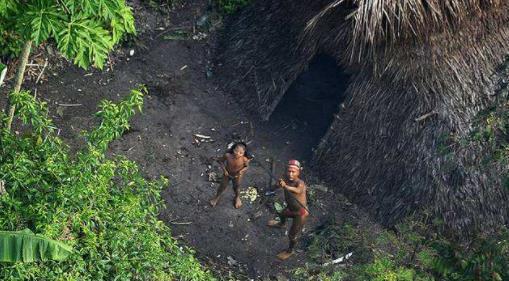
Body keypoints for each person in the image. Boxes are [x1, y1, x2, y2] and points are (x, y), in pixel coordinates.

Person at [267, 159, 308, 260]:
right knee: (281, 213)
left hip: (300, 213)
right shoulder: (284, 178)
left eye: (293, 172)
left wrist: (285, 186)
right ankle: (281, 224)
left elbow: (298, 190)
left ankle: (290, 250)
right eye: (289, 171)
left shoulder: (300, 183)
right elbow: (274, 187)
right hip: (291, 208)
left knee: (292, 235)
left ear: (298, 172)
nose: (290, 174)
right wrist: (277, 185)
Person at [209, 142, 251, 209]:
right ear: (233, 149)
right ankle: (217, 197)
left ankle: (237, 197)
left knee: (236, 187)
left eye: (240, 153)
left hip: (237, 176)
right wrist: (224, 170)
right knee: (222, 186)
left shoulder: (244, 159)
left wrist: (241, 171)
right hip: (227, 174)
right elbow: (220, 161)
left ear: (243, 153)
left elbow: (247, 167)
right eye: (236, 151)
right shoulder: (228, 155)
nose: (237, 154)